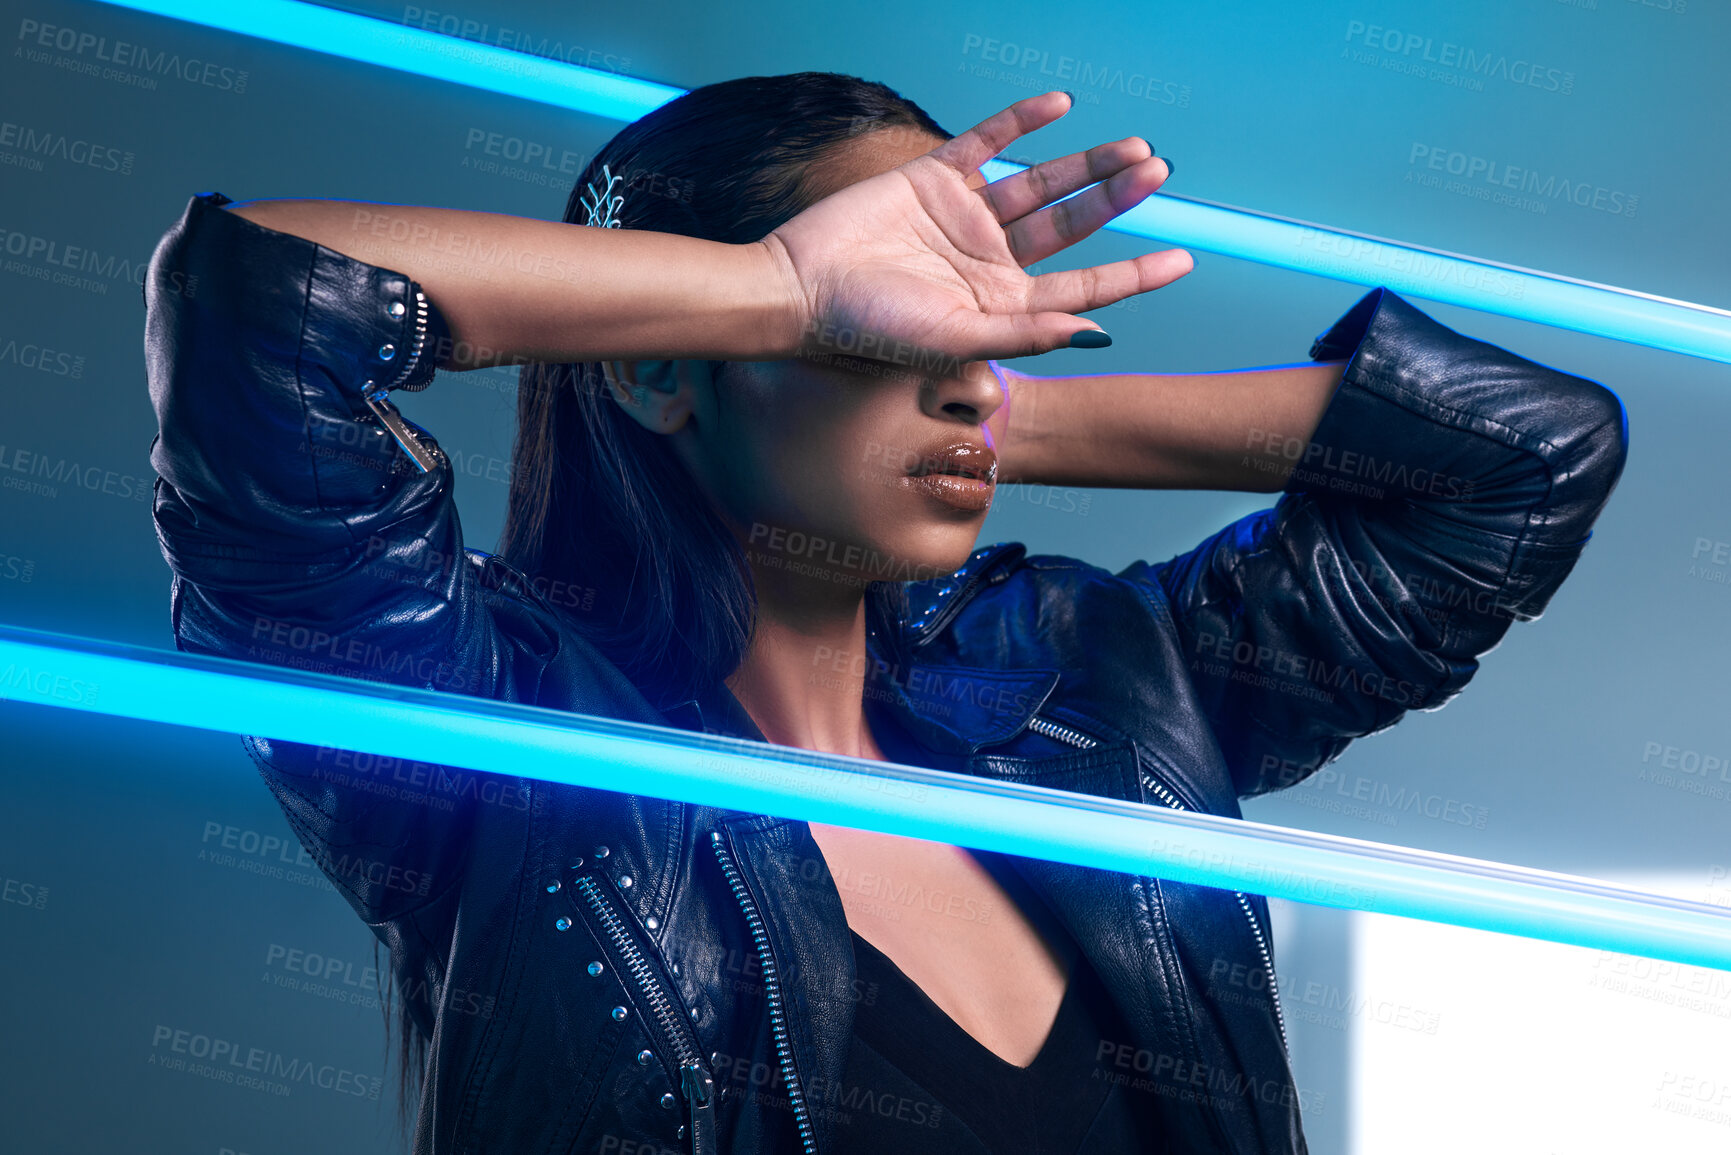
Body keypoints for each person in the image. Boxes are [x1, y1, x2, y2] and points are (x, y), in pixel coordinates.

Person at [143, 73, 1628, 1155]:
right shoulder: (501, 752)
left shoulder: (1098, 699)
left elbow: (1527, 455)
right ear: (667, 364)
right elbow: (259, 302)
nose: (957, 349)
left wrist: (995, 410)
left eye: (971, 303)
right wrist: (785, 288)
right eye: (895, 301)